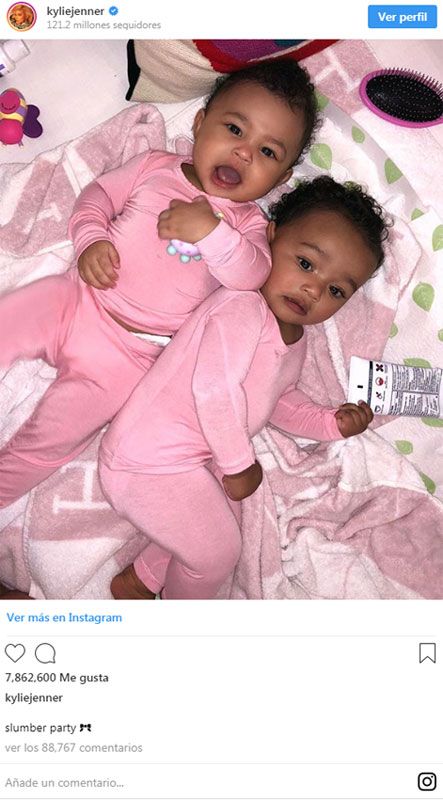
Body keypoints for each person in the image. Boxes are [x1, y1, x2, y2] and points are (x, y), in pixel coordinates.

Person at [0, 59, 318, 511]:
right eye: (234, 129)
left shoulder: (249, 226)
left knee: (52, 438)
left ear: (281, 178)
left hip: (131, 356)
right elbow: (97, 197)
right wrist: (91, 239)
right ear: (200, 124)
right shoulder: (155, 167)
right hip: (76, 298)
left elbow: (250, 277)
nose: (245, 153)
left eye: (268, 152)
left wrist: (212, 232)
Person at [98, 176, 389, 601]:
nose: (313, 289)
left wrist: (332, 424)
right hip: (146, 459)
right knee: (218, 552)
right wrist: (238, 464)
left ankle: (141, 581)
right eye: (305, 263)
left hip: (189, 461)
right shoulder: (243, 305)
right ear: (270, 237)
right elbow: (213, 388)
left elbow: (278, 403)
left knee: (222, 512)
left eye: (335, 290)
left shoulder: (295, 343)